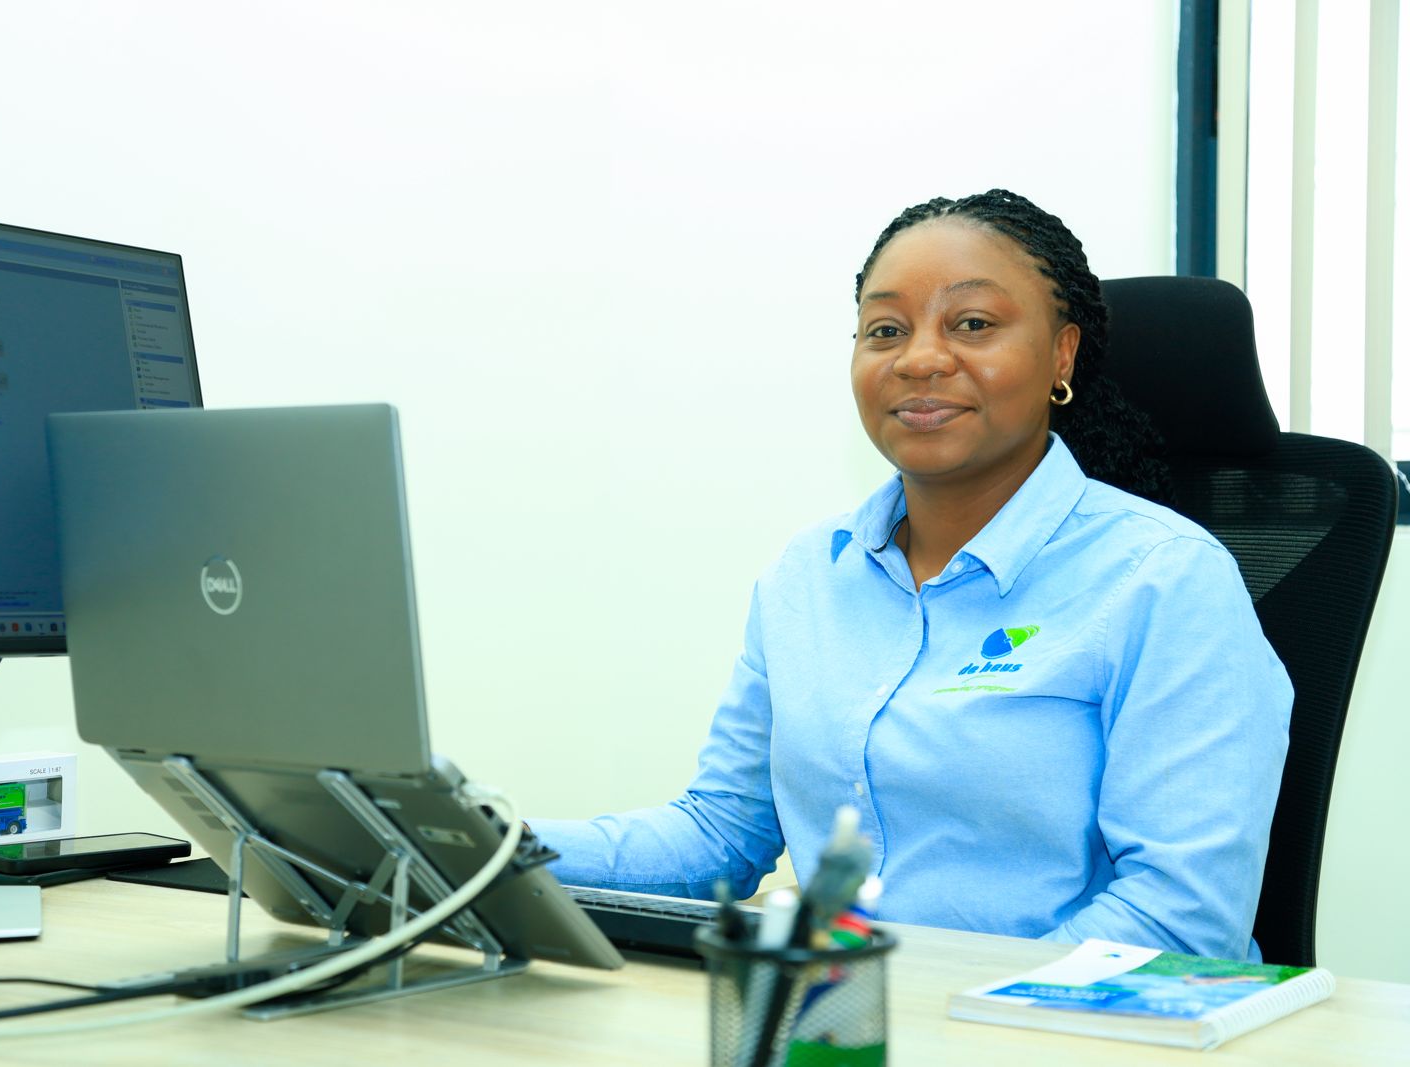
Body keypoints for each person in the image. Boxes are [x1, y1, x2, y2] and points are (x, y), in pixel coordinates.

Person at [530, 190, 1293, 962]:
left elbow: (1179, 919)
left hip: (1070, 1016)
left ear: (1061, 356)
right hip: (852, 1005)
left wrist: (953, 1011)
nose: (919, 358)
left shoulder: (1165, 580)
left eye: (973, 324)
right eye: (886, 330)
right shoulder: (809, 575)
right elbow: (719, 834)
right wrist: (497, 843)